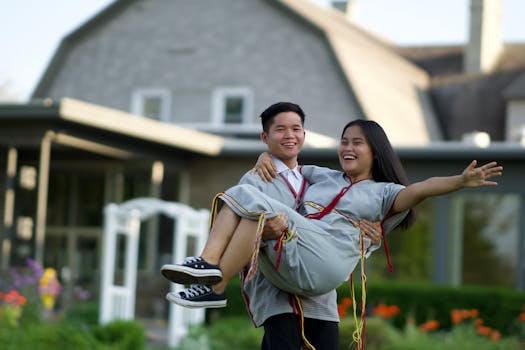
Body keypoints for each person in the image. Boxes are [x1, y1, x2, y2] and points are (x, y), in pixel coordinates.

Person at [161, 118, 502, 310]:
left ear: (375, 151)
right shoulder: (321, 175)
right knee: (254, 210)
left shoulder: (385, 193)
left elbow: (423, 188)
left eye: (357, 143)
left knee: (245, 196)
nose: (347, 148)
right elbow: (287, 162)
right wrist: (265, 157)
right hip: (298, 254)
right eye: (344, 141)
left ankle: (207, 264)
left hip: (328, 261)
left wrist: (460, 180)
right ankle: (215, 286)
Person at [163, 102, 381, 350]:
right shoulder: (254, 181)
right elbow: (238, 238)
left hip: (320, 300)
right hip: (275, 294)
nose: (289, 135)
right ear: (265, 137)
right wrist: (264, 233)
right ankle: (210, 275)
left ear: (304, 135)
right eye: (280, 129)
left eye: (296, 128)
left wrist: (371, 238)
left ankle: (211, 281)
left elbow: (343, 227)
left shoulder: (324, 180)